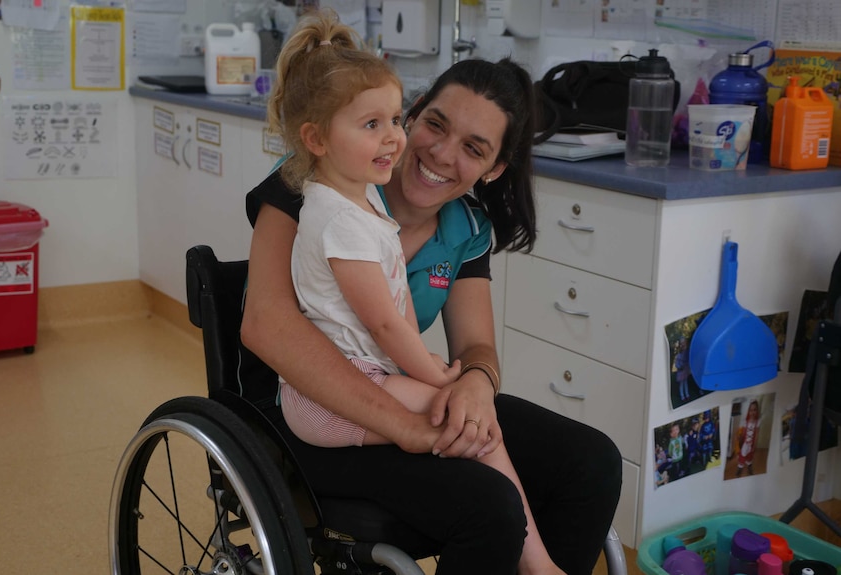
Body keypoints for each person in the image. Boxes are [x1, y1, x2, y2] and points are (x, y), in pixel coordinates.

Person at [239, 18, 622, 575]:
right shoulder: (314, 182)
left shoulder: (465, 230)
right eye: (435, 125)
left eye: (473, 148)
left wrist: (473, 386)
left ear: (493, 170)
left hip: (400, 388)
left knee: (590, 462)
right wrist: (409, 426)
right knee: (490, 505)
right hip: (304, 412)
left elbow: (478, 347)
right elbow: (266, 325)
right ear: (413, 116)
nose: (442, 153)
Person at [737, 400, 760, 477]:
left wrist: (755, 445)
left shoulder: (757, 422)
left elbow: (756, 434)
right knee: (742, 455)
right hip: (745, 443)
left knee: (750, 456)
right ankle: (740, 468)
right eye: (751, 410)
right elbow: (743, 433)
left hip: (751, 443)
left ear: (757, 411)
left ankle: (749, 467)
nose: (752, 412)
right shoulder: (745, 421)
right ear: (748, 411)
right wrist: (740, 438)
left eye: (754, 410)